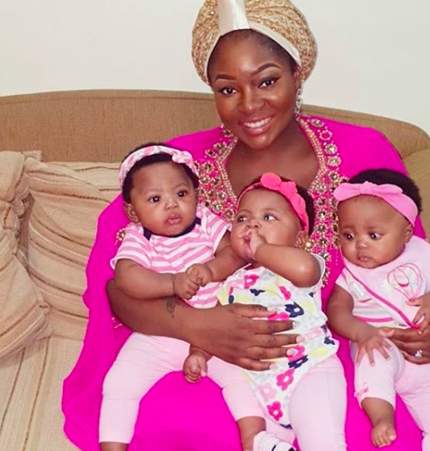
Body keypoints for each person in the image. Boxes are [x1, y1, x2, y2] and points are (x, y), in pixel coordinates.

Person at [62, 0, 430, 450]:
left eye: (267, 81)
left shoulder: (363, 152)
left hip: (329, 356)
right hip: (209, 362)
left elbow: (418, 264)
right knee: (183, 428)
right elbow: (116, 289)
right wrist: (198, 327)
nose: (249, 105)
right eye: (228, 89)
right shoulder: (180, 169)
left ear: (297, 74)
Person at [100, 143, 295, 451]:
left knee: (244, 385)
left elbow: (234, 252)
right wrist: (172, 283)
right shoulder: (139, 237)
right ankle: (113, 446)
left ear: (196, 195)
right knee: (119, 383)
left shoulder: (205, 221)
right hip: (159, 332)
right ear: (133, 211)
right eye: (155, 199)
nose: (171, 205)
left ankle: (256, 440)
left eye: (181, 194)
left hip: (220, 332)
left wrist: (212, 269)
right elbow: (126, 278)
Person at [184, 172, 346, 450]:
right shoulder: (232, 281)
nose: (253, 225)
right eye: (242, 218)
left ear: (299, 240)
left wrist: (261, 250)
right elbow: (215, 326)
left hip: (310, 370)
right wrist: (198, 352)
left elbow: (305, 270)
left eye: (269, 217)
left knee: (323, 442)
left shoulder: (301, 265)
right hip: (263, 387)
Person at [328, 168, 430, 450]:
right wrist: (361, 332)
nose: (360, 244)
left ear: (406, 234)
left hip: (428, 362)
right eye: (348, 235)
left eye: (374, 235)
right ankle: (382, 417)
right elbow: (337, 311)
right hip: (381, 344)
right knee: (372, 362)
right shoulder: (352, 275)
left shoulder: (424, 253)